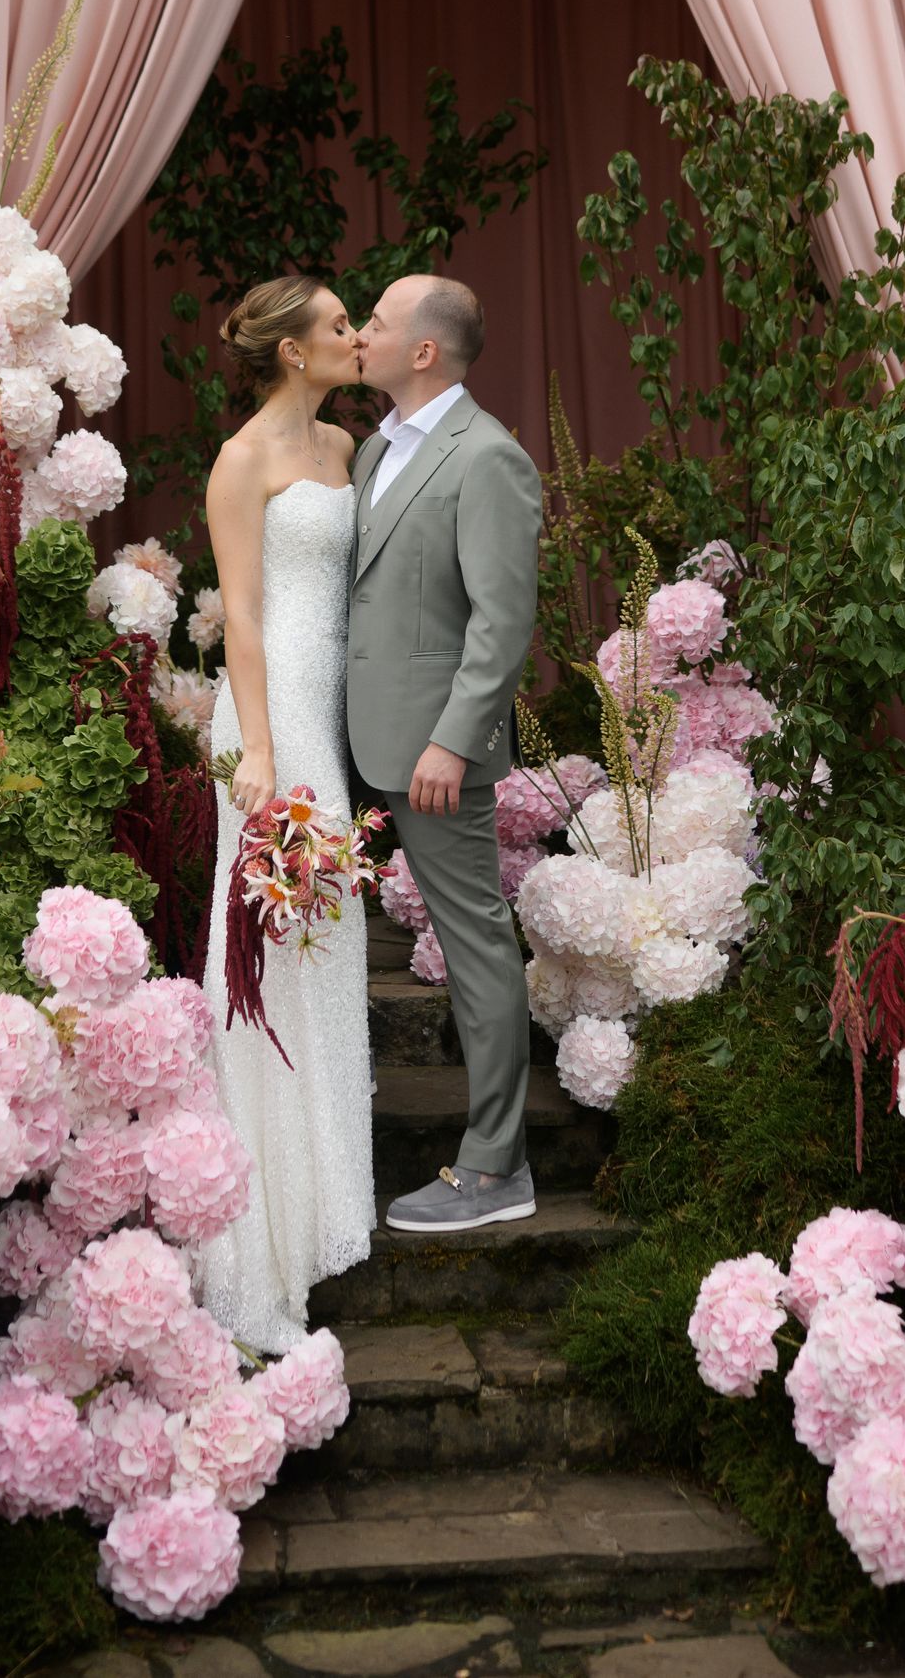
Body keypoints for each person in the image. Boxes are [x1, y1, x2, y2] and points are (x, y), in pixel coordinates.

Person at [197, 275, 375, 1353]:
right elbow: (243, 614)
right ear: (293, 352)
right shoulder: (243, 458)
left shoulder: (344, 452)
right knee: (268, 942)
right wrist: (260, 747)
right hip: (269, 724)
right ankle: (256, 1241)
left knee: (330, 935)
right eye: (340, 326)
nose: (357, 336)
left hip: (328, 712)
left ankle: (323, 1207)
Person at [350, 274, 542, 1233]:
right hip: (355, 735)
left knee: (474, 946)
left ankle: (496, 1163)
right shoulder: (374, 451)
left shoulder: (487, 459)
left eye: (376, 324)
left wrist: (451, 742)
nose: (360, 334)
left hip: (433, 755)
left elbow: (500, 625)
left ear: (424, 350)